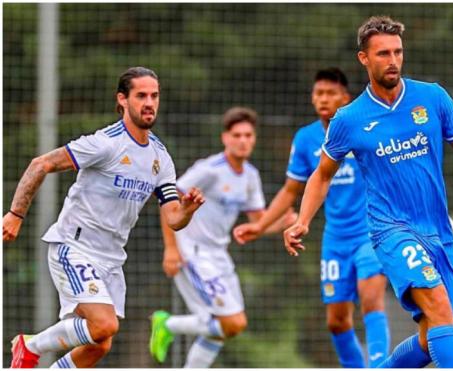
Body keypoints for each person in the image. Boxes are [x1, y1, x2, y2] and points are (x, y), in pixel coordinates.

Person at [283, 16, 453, 368]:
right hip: (391, 231)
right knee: (439, 306)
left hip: (437, 231)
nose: (393, 60)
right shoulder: (349, 120)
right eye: (383, 53)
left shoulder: (432, 97)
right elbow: (321, 176)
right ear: (364, 59)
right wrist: (303, 220)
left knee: (433, 336)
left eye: (398, 52)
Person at [3, 67, 205, 368]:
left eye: (154, 96)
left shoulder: (160, 157)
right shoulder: (105, 143)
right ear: (122, 100)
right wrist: (15, 214)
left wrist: (187, 211)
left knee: (99, 345)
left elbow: (173, 218)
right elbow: (40, 164)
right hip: (73, 247)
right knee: (104, 326)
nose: (149, 102)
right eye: (141, 96)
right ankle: (30, 346)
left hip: (111, 259)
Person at [233, 68, 391, 367]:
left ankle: (380, 365)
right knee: (337, 321)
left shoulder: (365, 128)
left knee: (370, 294)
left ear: (345, 98)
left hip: (371, 233)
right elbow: (291, 190)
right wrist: (260, 225)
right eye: (319, 93)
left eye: (331, 93)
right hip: (335, 240)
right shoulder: (306, 139)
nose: (324, 99)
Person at [148, 107, 296, 368]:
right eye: (237, 135)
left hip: (219, 256)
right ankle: (166, 323)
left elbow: (257, 222)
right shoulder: (209, 169)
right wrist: (171, 249)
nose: (243, 140)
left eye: (248, 135)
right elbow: (168, 201)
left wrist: (283, 223)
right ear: (225, 138)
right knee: (231, 322)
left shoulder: (250, 176)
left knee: (225, 328)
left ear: (254, 139)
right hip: (193, 252)